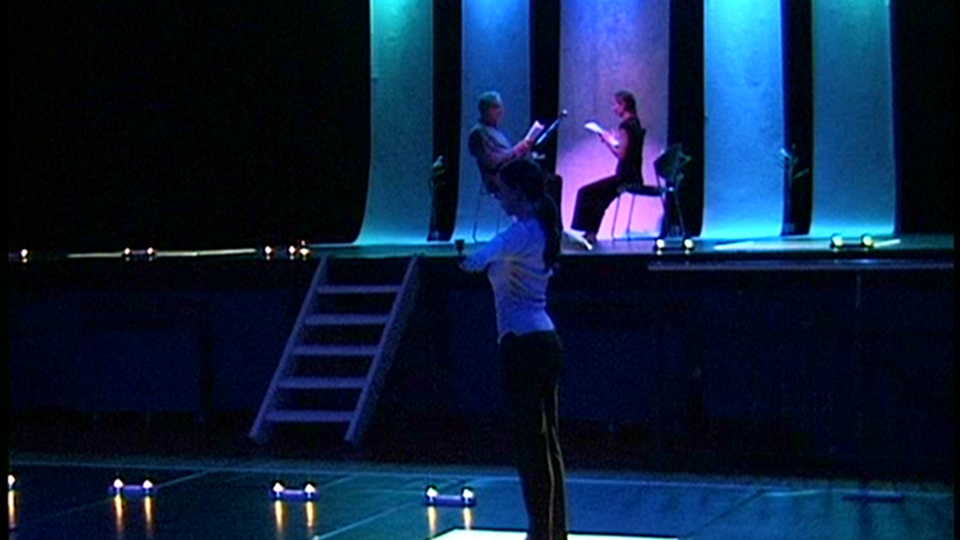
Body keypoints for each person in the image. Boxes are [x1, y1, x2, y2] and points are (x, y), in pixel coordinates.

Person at [460, 159, 568, 540]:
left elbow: (480, 258)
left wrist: (468, 259)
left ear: (520, 192)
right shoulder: (539, 229)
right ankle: (553, 531)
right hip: (543, 340)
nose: (499, 197)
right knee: (547, 442)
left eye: (503, 190)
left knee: (531, 446)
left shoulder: (522, 233)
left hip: (523, 345)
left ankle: (541, 532)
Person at [570, 90, 650, 246]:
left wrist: (607, 141)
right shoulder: (635, 123)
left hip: (626, 176)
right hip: (633, 174)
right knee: (599, 198)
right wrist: (613, 140)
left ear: (623, 105)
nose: (613, 108)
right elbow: (629, 149)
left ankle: (589, 233)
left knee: (587, 192)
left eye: (615, 105)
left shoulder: (626, 126)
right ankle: (590, 233)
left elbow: (621, 155)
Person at [468, 91, 536, 195]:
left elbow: (508, 156)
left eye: (500, 107)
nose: (500, 111)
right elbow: (492, 161)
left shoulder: (495, 131)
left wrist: (522, 150)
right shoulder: (478, 133)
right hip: (499, 181)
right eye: (496, 107)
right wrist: (516, 150)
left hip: (510, 178)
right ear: (485, 109)